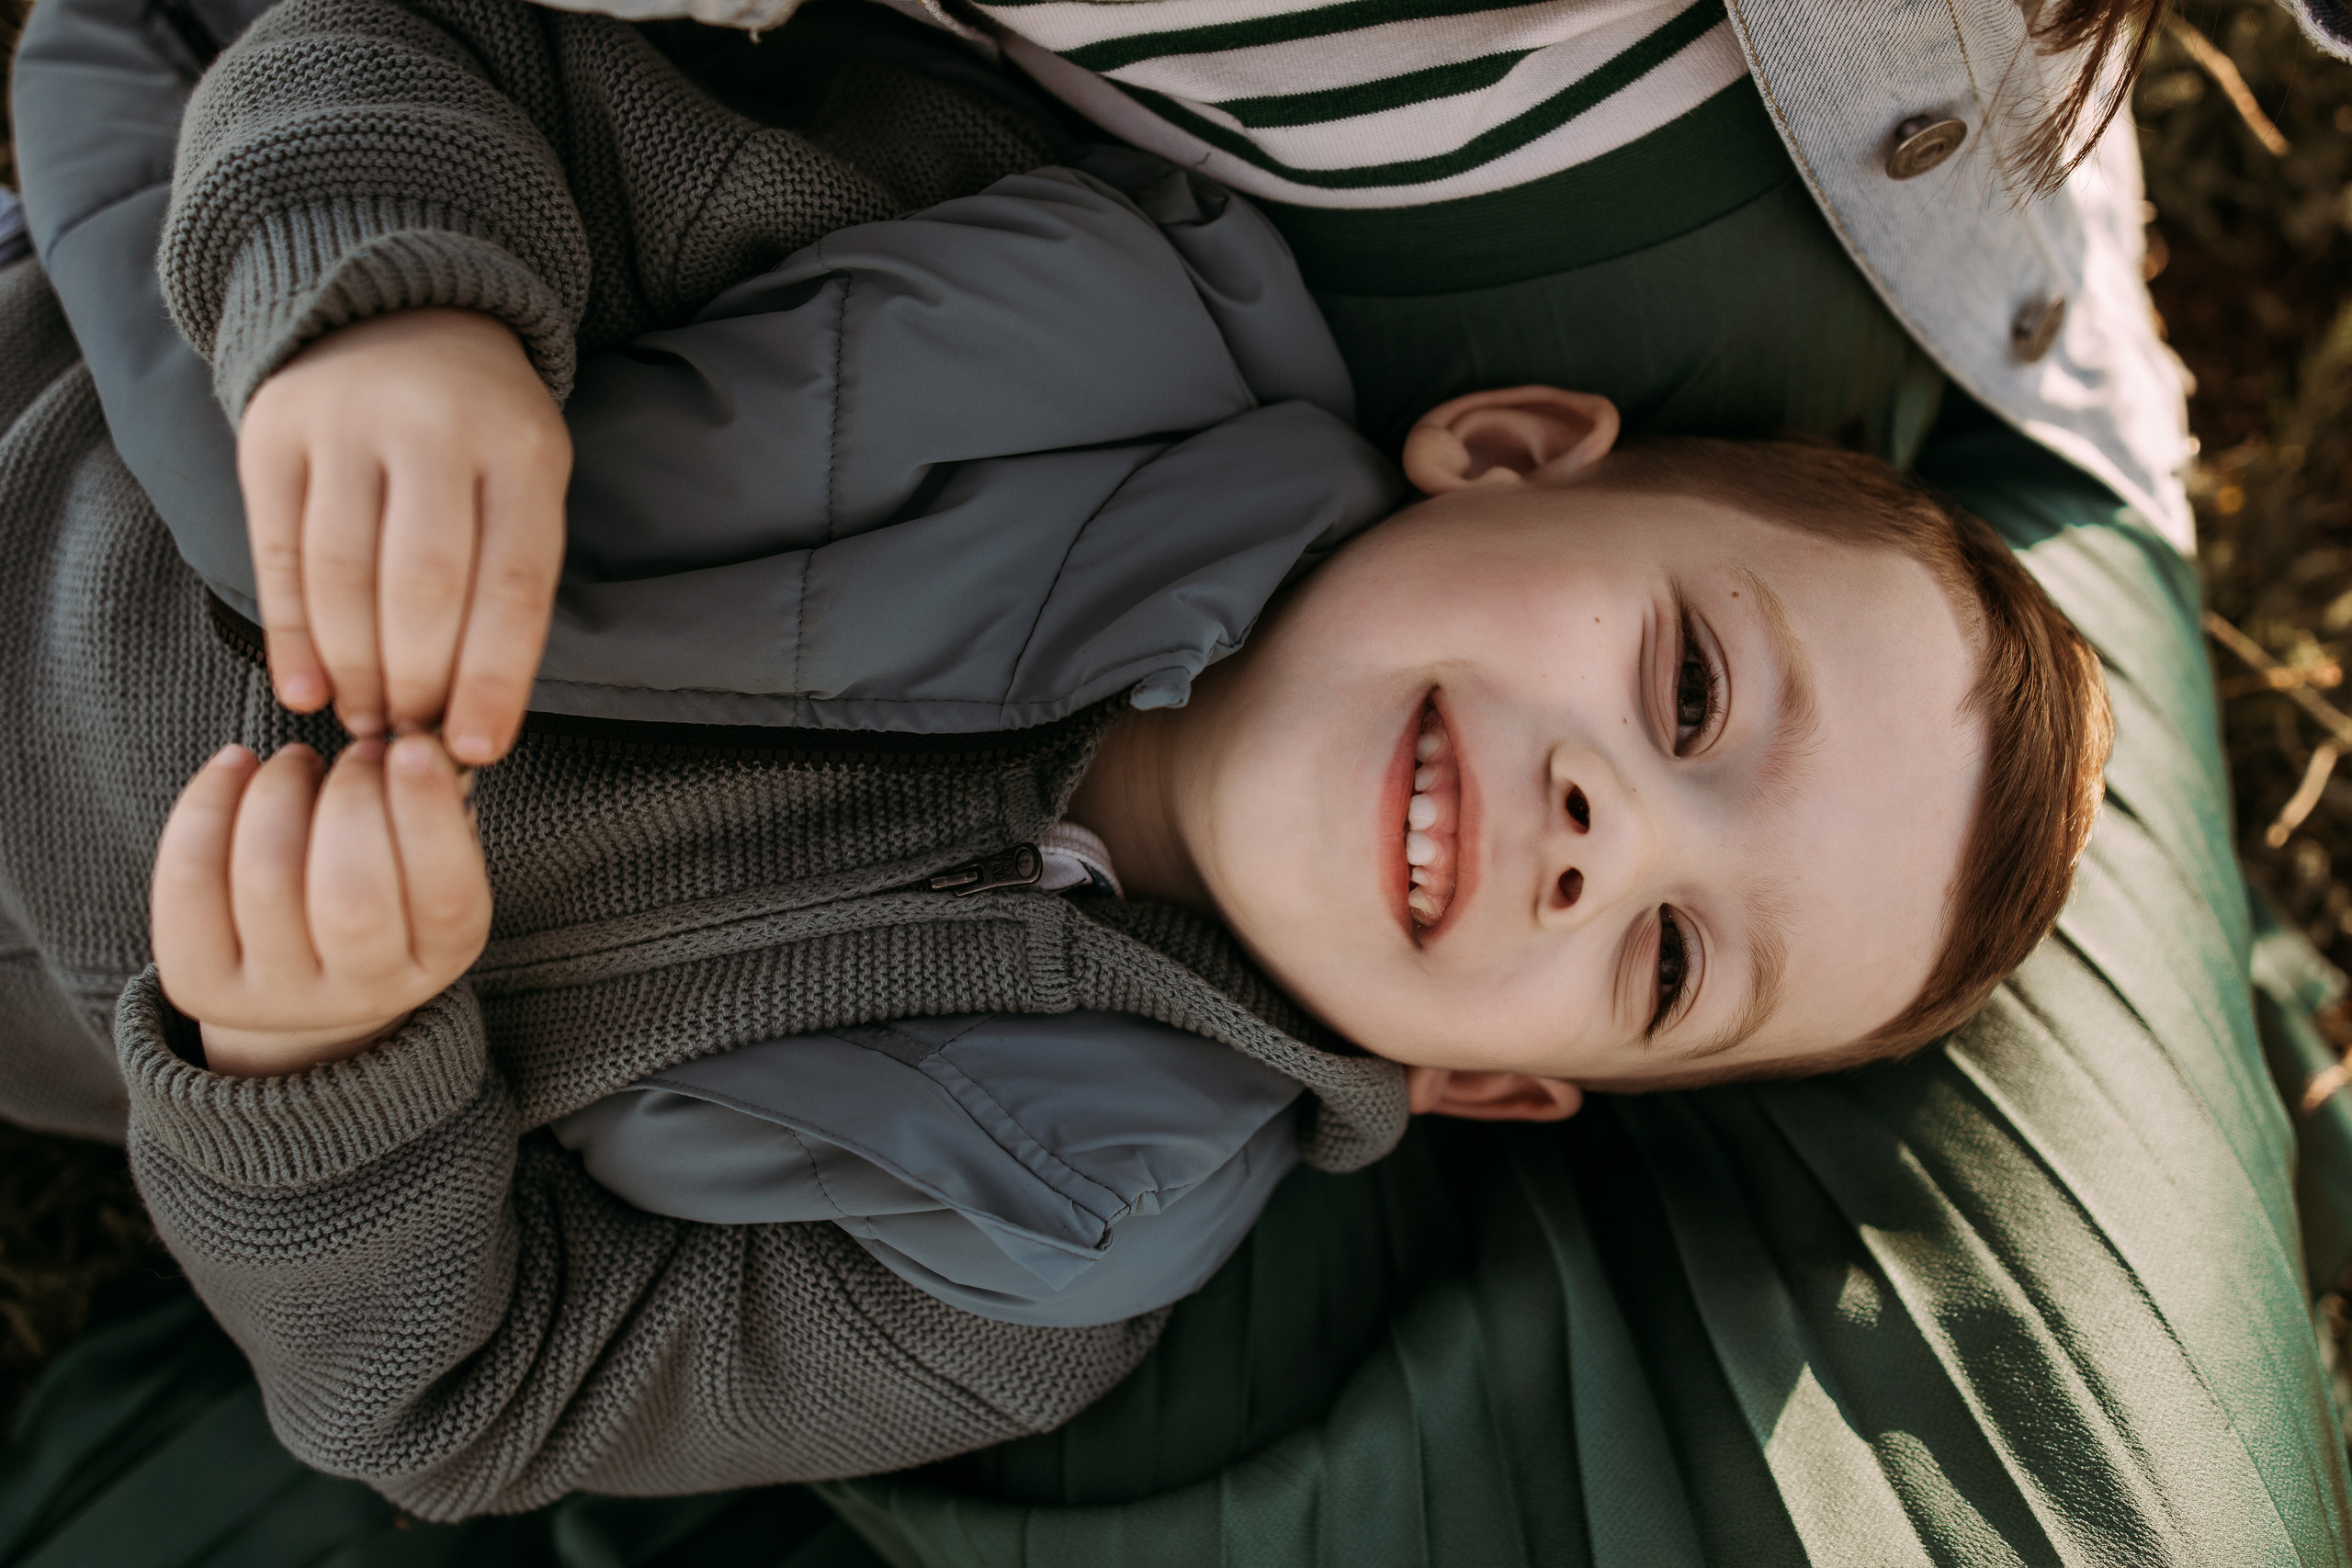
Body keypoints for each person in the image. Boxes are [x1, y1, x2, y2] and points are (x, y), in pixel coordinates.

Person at [6, 0, 2348, 1557]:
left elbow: (469, 1397)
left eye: (1660, 951)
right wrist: (393, 304)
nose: (1596, 827)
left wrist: (324, 1075)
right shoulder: (1033, 289)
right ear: (1506, 453)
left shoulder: (1049, 1261)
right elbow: (401, 41)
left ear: (1485, 1086)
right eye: (1688, 693)